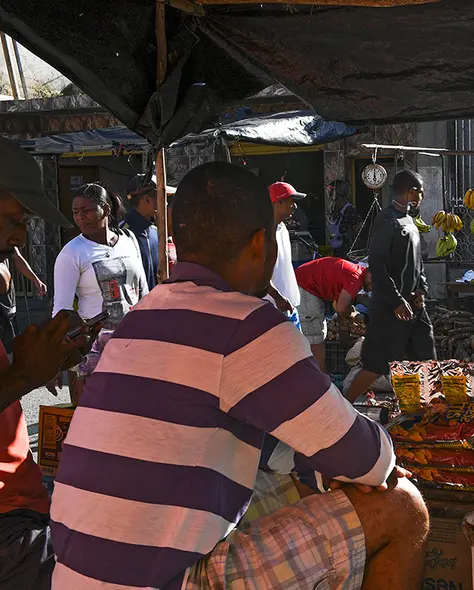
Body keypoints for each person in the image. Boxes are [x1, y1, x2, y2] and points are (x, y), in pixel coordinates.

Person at [50, 162, 429, 589]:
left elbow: (271, 448)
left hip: (76, 575)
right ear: (258, 245)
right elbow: (369, 461)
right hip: (166, 580)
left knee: (305, 483)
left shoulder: (141, 316)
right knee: (400, 507)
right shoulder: (245, 324)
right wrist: (375, 465)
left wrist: (327, 470)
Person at [0, 138, 98, 590]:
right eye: (12, 220)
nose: (20, 237)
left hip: (21, 505)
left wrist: (34, 357)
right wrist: (26, 374)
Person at [345, 170, 435, 402]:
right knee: (376, 364)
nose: (422, 196)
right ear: (411, 192)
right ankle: (344, 405)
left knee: (426, 358)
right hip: (389, 307)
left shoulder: (410, 220)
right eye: (421, 192)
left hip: (414, 305)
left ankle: (425, 406)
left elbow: (417, 262)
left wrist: (421, 290)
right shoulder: (387, 220)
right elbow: (377, 264)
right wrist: (396, 301)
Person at [53, 183, 148, 329]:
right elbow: (61, 310)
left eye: (86, 211)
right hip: (96, 345)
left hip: (133, 336)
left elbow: (143, 290)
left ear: (105, 210)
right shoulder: (71, 253)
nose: (80, 217)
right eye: (75, 212)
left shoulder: (129, 239)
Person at [295, 256, 373, 373]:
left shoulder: (356, 274)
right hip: (305, 285)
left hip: (304, 282)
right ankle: (320, 376)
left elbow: (339, 305)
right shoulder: (355, 278)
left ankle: (318, 374)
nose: (373, 288)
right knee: (315, 334)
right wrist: (352, 316)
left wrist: (346, 321)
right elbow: (341, 308)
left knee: (316, 332)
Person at [121, 174, 174, 288]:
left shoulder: (156, 232)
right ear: (147, 199)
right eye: (160, 197)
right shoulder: (123, 235)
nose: (165, 203)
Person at [265, 181, 304, 326]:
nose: (294, 206)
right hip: (273, 307)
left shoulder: (282, 228)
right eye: (291, 201)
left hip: (288, 306)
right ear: (278, 203)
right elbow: (260, 272)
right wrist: (277, 297)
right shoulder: (263, 233)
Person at [0, 247, 47, 354]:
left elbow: (18, 257)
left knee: (11, 352)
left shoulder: (5, 241)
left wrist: (35, 280)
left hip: (10, 312)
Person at [329, 180, 361, 257]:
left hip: (345, 253)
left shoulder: (349, 209)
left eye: (331, 190)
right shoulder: (334, 208)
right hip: (335, 251)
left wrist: (348, 236)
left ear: (338, 192)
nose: (329, 192)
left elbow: (360, 225)